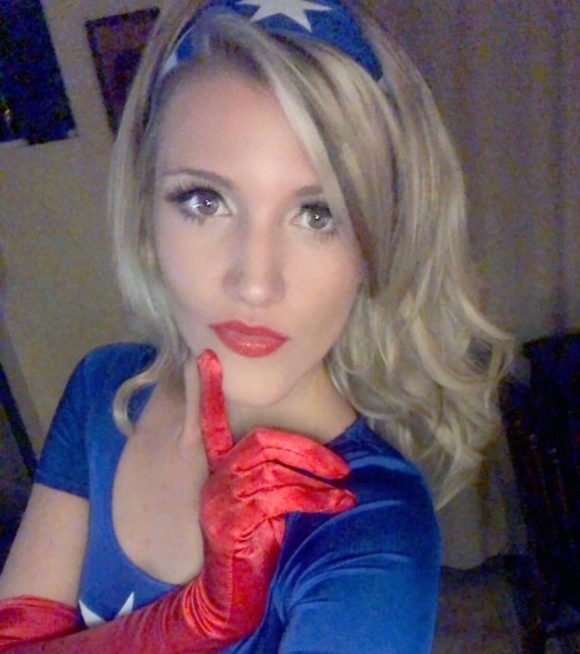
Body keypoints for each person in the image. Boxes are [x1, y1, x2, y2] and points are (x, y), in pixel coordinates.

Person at [0, 0, 511, 652]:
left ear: (379, 241)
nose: (256, 282)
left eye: (319, 214)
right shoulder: (104, 391)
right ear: (146, 211)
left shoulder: (367, 528)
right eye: (204, 200)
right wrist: (191, 621)